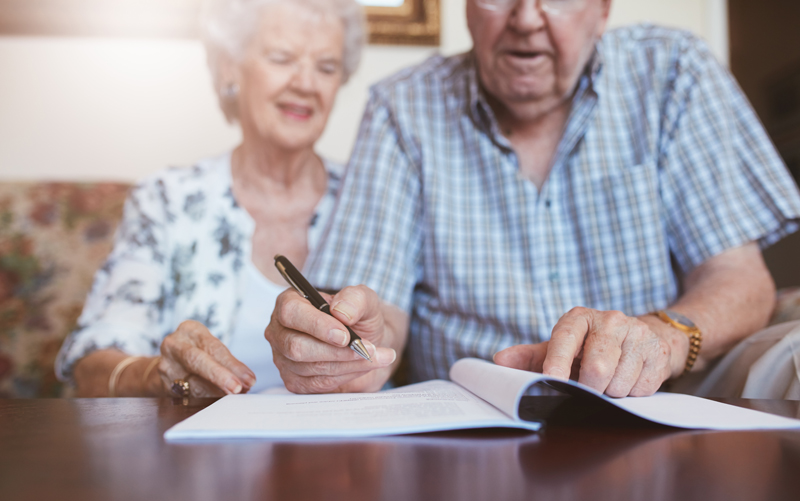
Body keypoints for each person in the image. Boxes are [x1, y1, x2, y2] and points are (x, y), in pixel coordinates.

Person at [265, 0, 800, 397]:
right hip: (468, 443)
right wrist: (347, 343)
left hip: (656, 419)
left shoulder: (673, 72)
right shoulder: (401, 107)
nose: (525, 17)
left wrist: (661, 337)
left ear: (604, 9)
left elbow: (741, 280)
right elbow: (379, 318)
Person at [55, 0, 365, 397]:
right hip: (204, 452)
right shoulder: (167, 199)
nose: (306, 83)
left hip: (342, 450)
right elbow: (92, 364)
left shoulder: (371, 195)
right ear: (229, 67)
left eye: (326, 67)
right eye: (282, 57)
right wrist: (157, 374)